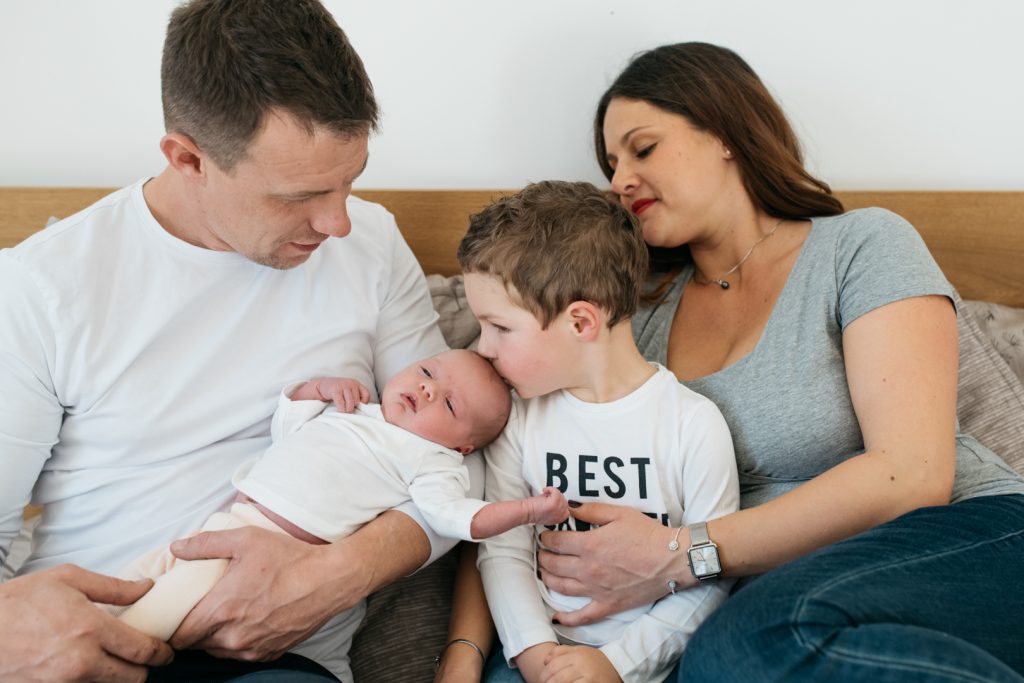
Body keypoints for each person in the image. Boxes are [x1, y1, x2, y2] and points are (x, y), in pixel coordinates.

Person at [0, 1, 480, 681]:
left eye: (351, 180)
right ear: (188, 158)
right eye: (300, 196)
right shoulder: (43, 286)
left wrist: (337, 573)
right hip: (98, 648)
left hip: (277, 663)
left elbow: (466, 458)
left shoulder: (372, 244)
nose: (338, 221)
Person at [527, 42, 1024, 682]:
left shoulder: (861, 245)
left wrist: (682, 554)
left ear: (727, 132)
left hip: (965, 539)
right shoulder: (636, 324)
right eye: (612, 162)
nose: (620, 179)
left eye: (642, 148)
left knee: (740, 648)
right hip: (775, 601)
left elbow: (913, 474)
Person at [112, 348, 568, 681]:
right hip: (224, 529)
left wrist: (527, 510)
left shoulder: (433, 463)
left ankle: (108, 658)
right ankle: (92, 623)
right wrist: (317, 389)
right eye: (427, 371)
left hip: (262, 558)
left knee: (157, 610)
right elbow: (287, 427)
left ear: (463, 446)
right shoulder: (356, 411)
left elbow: (457, 519)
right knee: (131, 583)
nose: (428, 389)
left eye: (449, 404)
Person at [457, 180, 741, 683]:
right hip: (534, 656)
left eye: (499, 327)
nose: (482, 348)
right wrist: (537, 656)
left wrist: (616, 664)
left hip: (655, 662)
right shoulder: (519, 419)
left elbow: (710, 576)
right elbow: (503, 550)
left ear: (581, 321)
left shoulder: (692, 426)